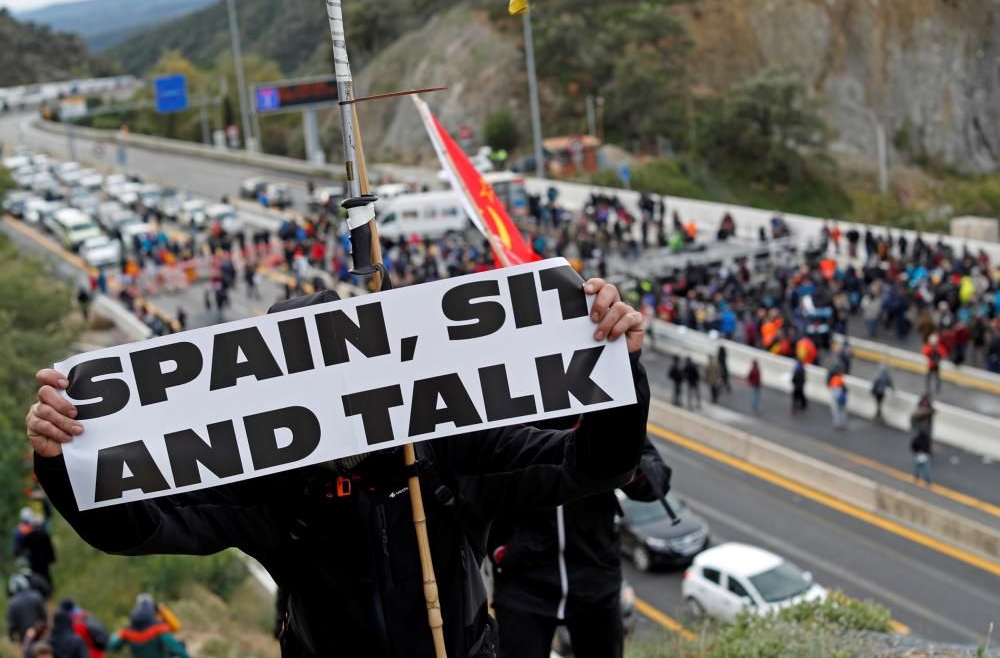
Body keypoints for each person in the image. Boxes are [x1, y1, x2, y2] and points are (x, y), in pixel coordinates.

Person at [26, 278, 651, 658]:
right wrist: (63, 462)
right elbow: (137, 527)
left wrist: (617, 369)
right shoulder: (270, 487)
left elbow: (591, 465)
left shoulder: (448, 451)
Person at [490, 433, 670, 658]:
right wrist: (498, 546)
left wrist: (615, 447)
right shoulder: (511, 412)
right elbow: (472, 474)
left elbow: (656, 482)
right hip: (521, 579)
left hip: (595, 573)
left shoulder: (597, 409)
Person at [108, 596, 189, 658]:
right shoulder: (158, 627)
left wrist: (120, 632)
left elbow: (113, 646)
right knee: (181, 645)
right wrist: (162, 610)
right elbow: (176, 629)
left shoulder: (128, 631)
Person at [6, 574, 47, 643]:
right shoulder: (36, 595)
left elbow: (12, 625)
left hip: (26, 639)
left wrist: (12, 637)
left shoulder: (12, 603)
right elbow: (44, 616)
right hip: (41, 634)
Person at [910, 395, 935, 485]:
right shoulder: (917, 436)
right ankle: (917, 478)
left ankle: (926, 480)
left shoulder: (929, 409)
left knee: (925, 468)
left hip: (924, 450)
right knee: (918, 466)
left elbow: (933, 411)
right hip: (920, 451)